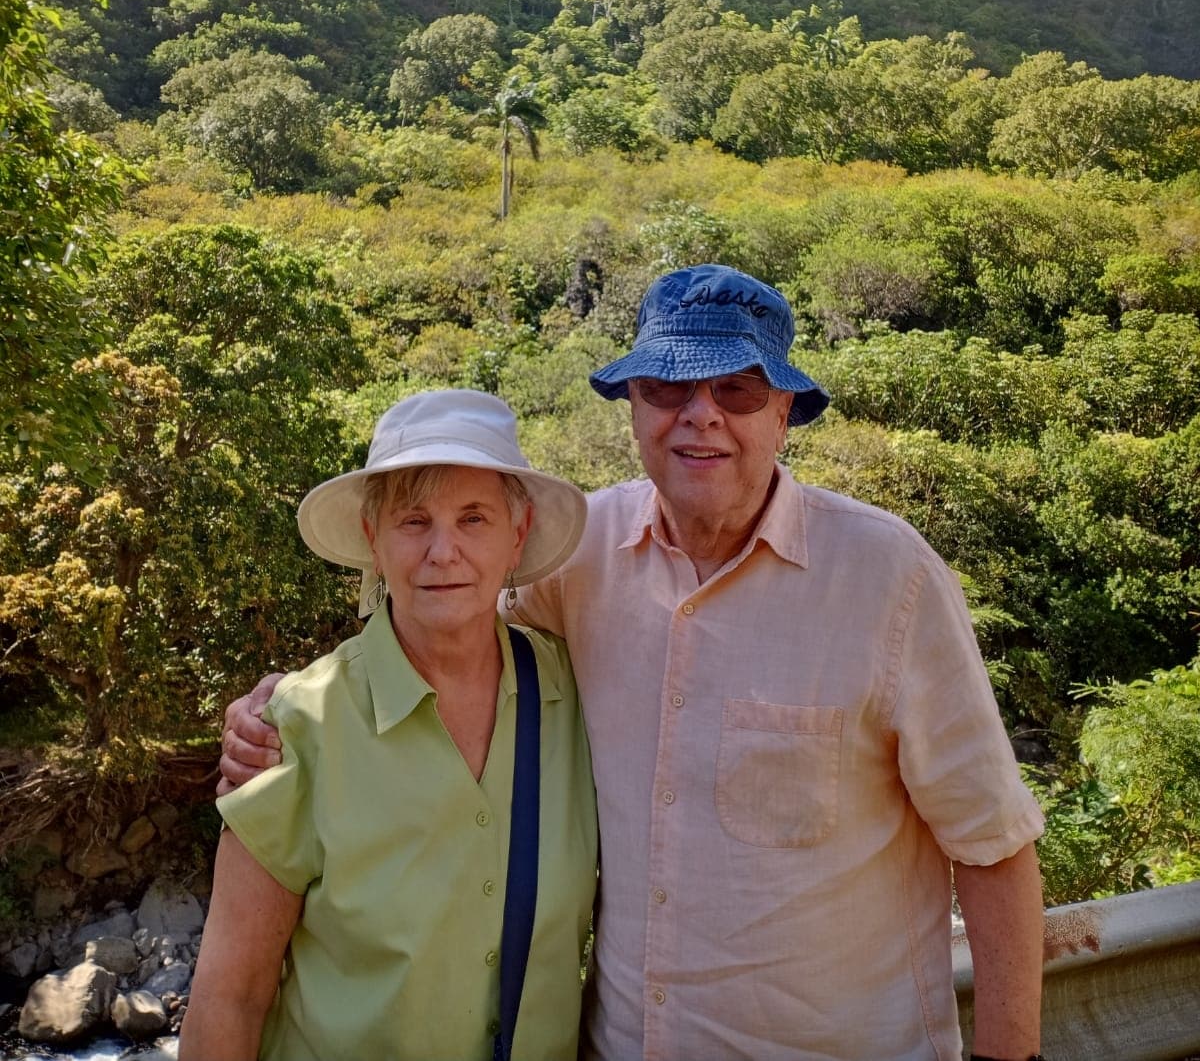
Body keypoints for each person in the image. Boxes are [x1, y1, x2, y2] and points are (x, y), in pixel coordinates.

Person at [222, 266, 1046, 1061]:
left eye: (736, 389)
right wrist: (288, 705)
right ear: (633, 409)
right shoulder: (583, 559)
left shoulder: (887, 578)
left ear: (783, 412)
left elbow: (994, 846)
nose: (701, 415)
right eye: (666, 387)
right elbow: (444, 623)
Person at [184, 389, 597, 1061]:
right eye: (413, 521)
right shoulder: (301, 727)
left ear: (517, 534)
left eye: (473, 518)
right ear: (373, 539)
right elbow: (230, 997)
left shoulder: (574, 695)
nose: (443, 551)